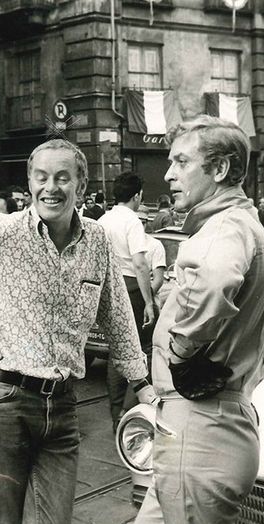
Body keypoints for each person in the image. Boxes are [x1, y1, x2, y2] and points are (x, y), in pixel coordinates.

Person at [0, 138, 156, 524]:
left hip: (62, 408)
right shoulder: (1, 231)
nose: (51, 187)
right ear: (29, 183)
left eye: (63, 178)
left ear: (81, 186)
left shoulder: (96, 240)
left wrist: (142, 384)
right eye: (41, 177)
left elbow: (116, 314)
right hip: (4, 404)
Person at [128, 116, 264, 524]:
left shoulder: (225, 226)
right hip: (205, 426)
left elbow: (214, 282)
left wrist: (180, 351)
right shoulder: (241, 225)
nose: (168, 174)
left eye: (181, 162)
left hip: (199, 428)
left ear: (219, 170)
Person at [99, 172, 157, 431]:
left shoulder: (102, 220)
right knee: (142, 350)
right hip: (131, 289)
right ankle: (131, 410)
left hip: (109, 288)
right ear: (137, 196)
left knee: (116, 352)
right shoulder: (132, 221)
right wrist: (149, 301)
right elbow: (140, 264)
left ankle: (116, 416)